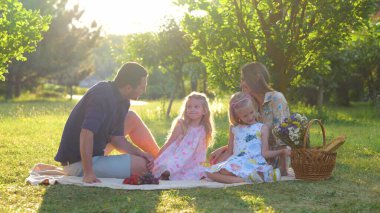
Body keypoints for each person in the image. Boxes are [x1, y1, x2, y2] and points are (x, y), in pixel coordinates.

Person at [54, 62, 154, 183]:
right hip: (76, 163)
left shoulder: (123, 102)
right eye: (142, 87)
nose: (144, 91)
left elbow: (118, 140)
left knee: (143, 160)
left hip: (96, 156)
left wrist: (141, 153)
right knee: (142, 166)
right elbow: (86, 133)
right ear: (128, 87)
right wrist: (88, 173)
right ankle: (86, 170)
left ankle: (162, 160)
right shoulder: (102, 95)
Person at [210, 62, 291, 175]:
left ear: (256, 77)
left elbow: (283, 137)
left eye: (244, 79)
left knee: (224, 170)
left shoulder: (276, 99)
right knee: (217, 164)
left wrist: (283, 170)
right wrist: (224, 148)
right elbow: (249, 136)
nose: (241, 83)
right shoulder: (251, 102)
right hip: (253, 153)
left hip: (272, 156)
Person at [206, 92, 290, 183]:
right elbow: (230, 151)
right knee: (209, 172)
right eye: (245, 116)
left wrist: (281, 151)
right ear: (237, 116)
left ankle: (250, 178)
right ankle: (250, 179)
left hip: (254, 162)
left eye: (251, 112)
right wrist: (217, 166)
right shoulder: (234, 128)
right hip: (237, 160)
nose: (250, 117)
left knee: (223, 171)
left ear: (254, 108)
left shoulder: (262, 128)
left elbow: (265, 153)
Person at [152, 92, 214, 180]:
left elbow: (201, 151)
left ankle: (171, 174)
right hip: (177, 156)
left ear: (204, 110)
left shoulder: (205, 128)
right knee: (171, 163)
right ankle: (167, 172)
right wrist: (156, 159)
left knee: (202, 171)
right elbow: (169, 143)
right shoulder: (182, 125)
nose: (192, 109)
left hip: (193, 161)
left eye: (196, 107)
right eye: (189, 107)